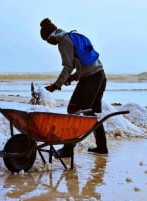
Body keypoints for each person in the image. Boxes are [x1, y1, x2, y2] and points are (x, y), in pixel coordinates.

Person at [39, 18, 108, 157]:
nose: (49, 43)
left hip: (91, 79)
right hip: (100, 76)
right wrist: (74, 77)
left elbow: (68, 66)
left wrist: (55, 85)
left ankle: (67, 150)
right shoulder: (72, 36)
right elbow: (84, 64)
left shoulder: (63, 42)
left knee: (73, 109)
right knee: (89, 113)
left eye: (47, 40)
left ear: (50, 36)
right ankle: (101, 147)